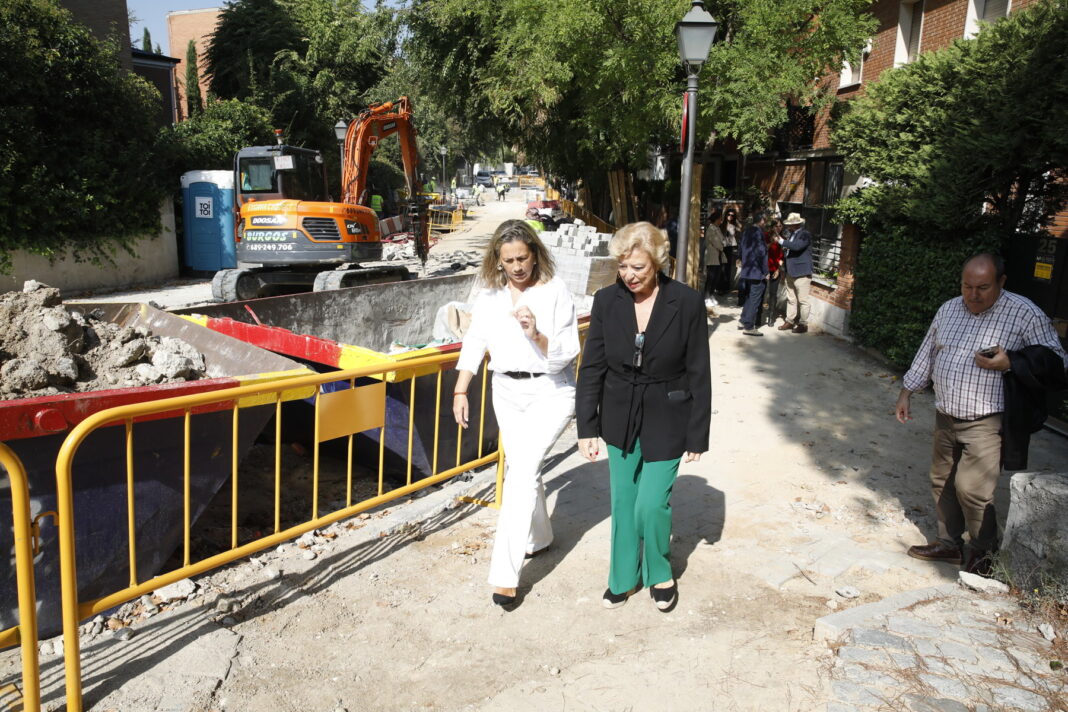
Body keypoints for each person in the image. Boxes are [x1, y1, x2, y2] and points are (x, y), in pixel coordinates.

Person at [895, 254, 1068, 575]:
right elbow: (928, 352)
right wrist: (907, 390)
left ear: (1001, 283)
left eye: (983, 288)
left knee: (972, 488)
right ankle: (948, 543)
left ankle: (983, 549)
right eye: (967, 286)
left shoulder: (1024, 313)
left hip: (988, 420)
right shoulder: (948, 309)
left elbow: (1058, 361)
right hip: (946, 415)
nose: (973, 295)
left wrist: (1011, 363)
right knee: (942, 481)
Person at [576, 222, 711, 612]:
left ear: (657, 262)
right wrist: (587, 426)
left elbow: (699, 369)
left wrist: (697, 434)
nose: (629, 276)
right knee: (623, 502)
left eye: (638, 267)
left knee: (651, 504)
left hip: (668, 412)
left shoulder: (685, 302)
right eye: (623, 267)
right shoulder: (605, 302)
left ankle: (659, 571)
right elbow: (592, 368)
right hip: (619, 412)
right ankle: (622, 577)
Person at [452, 220, 580, 607]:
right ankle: (539, 538)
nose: (517, 266)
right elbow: (475, 341)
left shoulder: (555, 291)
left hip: (550, 391)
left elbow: (565, 353)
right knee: (526, 469)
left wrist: (535, 334)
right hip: (505, 391)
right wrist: (461, 389)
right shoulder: (489, 296)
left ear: (535, 254)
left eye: (523, 257)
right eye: (509, 260)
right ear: (498, 260)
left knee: (520, 472)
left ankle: (505, 576)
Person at [777, 212, 812, 334]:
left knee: (803, 300)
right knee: (791, 298)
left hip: (802, 272)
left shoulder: (805, 234)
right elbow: (789, 251)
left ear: (797, 224)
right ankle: (790, 321)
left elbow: (797, 247)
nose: (788, 227)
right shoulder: (792, 234)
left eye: (791, 224)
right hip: (790, 271)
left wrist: (781, 241)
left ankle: (803, 324)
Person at [737, 212, 768, 336]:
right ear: (761, 221)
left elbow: (741, 247)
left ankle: (743, 320)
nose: (765, 224)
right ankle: (749, 326)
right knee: (755, 299)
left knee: (750, 297)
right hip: (756, 271)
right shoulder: (758, 232)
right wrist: (766, 271)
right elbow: (761, 253)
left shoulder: (747, 231)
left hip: (748, 269)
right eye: (765, 221)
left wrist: (741, 259)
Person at [701, 207, 727, 310]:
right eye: (720, 219)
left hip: (718, 255)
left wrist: (722, 245)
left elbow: (723, 240)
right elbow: (716, 242)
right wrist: (721, 246)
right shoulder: (711, 228)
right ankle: (706, 297)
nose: (721, 220)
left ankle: (711, 295)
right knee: (711, 277)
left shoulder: (718, 228)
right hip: (712, 255)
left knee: (716, 276)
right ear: (716, 219)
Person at [762, 219, 785, 327]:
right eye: (777, 226)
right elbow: (763, 250)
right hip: (764, 268)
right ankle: (758, 315)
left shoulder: (783, 240)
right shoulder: (766, 235)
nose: (779, 228)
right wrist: (772, 241)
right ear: (772, 227)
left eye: (781, 226)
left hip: (775, 269)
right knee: (761, 292)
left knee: (773, 293)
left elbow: (782, 257)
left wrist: (778, 269)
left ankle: (771, 316)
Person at [720, 209, 740, 299]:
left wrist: (736, 220)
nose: (730, 217)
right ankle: (720, 287)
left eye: (732, 215)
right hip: (722, 247)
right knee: (722, 266)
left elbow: (740, 228)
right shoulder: (722, 224)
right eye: (729, 215)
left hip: (730, 247)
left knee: (727, 267)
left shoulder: (734, 225)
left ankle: (725, 287)